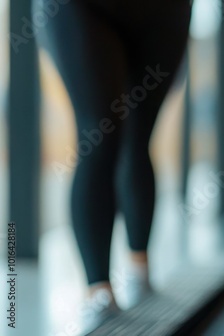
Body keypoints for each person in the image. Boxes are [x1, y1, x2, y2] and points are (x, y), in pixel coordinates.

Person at [40, 1, 192, 332]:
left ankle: (139, 271)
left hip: (163, 11)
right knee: (99, 133)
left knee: (139, 138)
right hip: (82, 8)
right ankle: (98, 291)